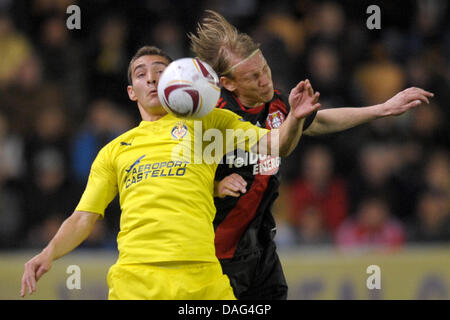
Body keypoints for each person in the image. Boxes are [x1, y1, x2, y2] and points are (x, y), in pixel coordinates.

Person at [20, 45, 320, 300]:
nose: (150, 78)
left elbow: (275, 144)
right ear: (131, 92)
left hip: (202, 279)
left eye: (160, 71)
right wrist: (48, 253)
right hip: (135, 281)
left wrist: (294, 116)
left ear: (177, 79)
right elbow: (84, 217)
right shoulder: (115, 150)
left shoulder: (209, 123)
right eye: (141, 74)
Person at [189, 10, 434, 300]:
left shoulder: (275, 104)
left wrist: (382, 109)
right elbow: (175, 176)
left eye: (265, 69)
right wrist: (214, 186)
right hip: (217, 254)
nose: (265, 80)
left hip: (260, 248)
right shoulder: (209, 118)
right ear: (228, 84)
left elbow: (319, 122)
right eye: (253, 77)